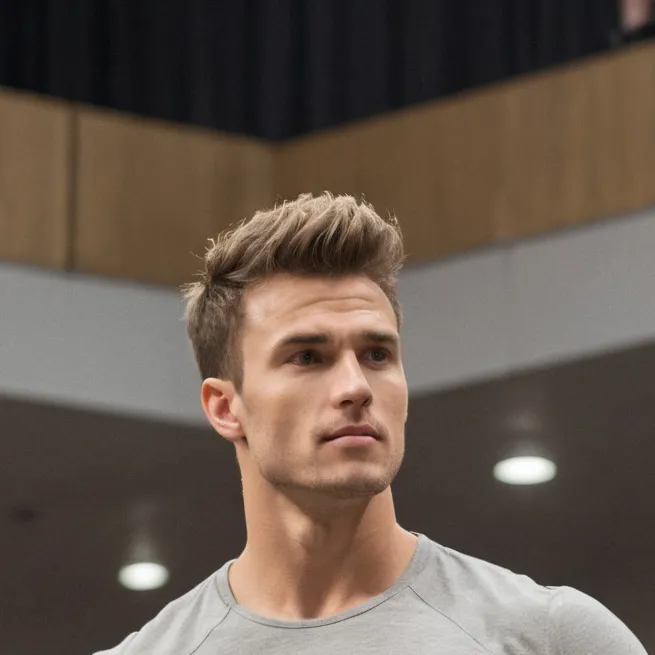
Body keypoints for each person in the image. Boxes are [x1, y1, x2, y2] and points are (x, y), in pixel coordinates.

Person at [95, 193, 648, 654]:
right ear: (224, 406)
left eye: (377, 354)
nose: (356, 386)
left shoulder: (552, 638)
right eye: (307, 357)